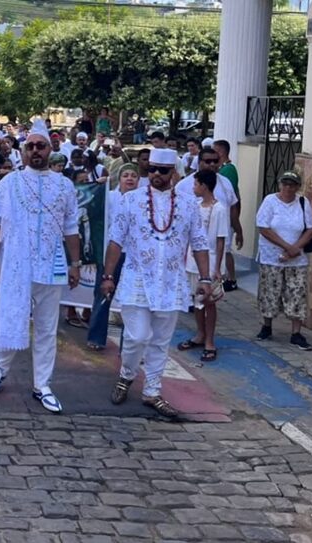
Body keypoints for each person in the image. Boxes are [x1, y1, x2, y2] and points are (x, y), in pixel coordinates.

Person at [0, 119, 82, 413]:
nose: (36, 150)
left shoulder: (64, 186)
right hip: (16, 265)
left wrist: (75, 263)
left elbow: (71, 228)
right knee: (10, 317)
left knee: (47, 328)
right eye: (31, 146)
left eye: (41, 146)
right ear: (24, 151)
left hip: (51, 266)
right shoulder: (9, 183)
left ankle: (42, 384)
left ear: (50, 150)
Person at [101, 148, 212, 417]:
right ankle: (127, 375)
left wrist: (206, 278)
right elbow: (115, 240)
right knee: (137, 336)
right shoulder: (131, 200)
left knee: (161, 341)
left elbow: (199, 243)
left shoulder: (188, 204)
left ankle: (152, 391)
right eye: (151, 169)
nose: (156, 175)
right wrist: (107, 276)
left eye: (162, 170)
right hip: (137, 278)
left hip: (171, 282)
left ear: (173, 172)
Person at [255, 170, 312, 351]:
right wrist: (287, 247)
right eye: (285, 184)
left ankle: (296, 333)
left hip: (297, 258)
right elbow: (263, 227)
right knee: (269, 291)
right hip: (272, 256)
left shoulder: (303, 202)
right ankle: (267, 326)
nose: (288, 188)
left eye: (292, 185)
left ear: (297, 187)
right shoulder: (270, 201)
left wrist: (295, 248)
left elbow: (310, 229)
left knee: (296, 292)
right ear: (280, 184)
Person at [86, 162, 139, 350]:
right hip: (110, 253)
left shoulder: (143, 200)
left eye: (133, 175)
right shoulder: (109, 197)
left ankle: (129, 345)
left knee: (133, 300)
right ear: (119, 178)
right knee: (103, 293)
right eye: (126, 175)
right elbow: (91, 209)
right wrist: (98, 187)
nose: (129, 179)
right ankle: (96, 337)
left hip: (134, 255)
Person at [177, 170, 228, 362]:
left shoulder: (219, 209)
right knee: (196, 300)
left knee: (209, 302)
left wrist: (218, 268)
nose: (193, 188)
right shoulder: (196, 206)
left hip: (211, 261)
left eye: (196, 184)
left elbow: (221, 239)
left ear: (204, 186)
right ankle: (199, 333)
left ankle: (210, 340)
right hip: (193, 261)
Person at [214, 139, 244, 292]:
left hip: (226, 217)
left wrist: (237, 226)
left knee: (225, 249)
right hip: (219, 216)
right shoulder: (221, 169)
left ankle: (231, 279)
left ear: (221, 152)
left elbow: (232, 197)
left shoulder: (228, 170)